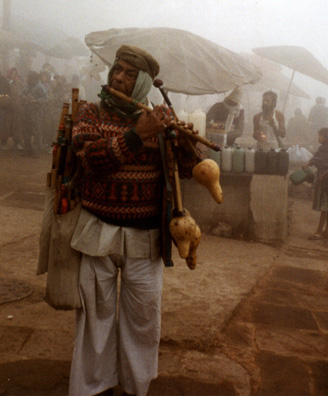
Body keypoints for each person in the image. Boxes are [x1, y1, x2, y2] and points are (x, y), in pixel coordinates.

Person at [68, 44, 199, 396]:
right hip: (98, 231)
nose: (118, 77)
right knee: (96, 318)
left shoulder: (159, 119)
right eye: (116, 69)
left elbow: (186, 171)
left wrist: (183, 140)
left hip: (146, 237)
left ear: (142, 81)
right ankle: (93, 388)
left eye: (128, 73)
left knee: (143, 320)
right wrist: (137, 135)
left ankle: (135, 387)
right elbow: (91, 159)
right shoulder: (91, 112)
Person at [20, 71, 48, 157]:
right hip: (27, 111)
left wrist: (35, 100)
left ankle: (37, 150)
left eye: (30, 77)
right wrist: (24, 97)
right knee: (26, 130)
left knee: (37, 132)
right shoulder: (27, 86)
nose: (28, 79)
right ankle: (28, 149)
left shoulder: (40, 87)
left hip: (36, 112)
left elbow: (46, 98)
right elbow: (21, 93)